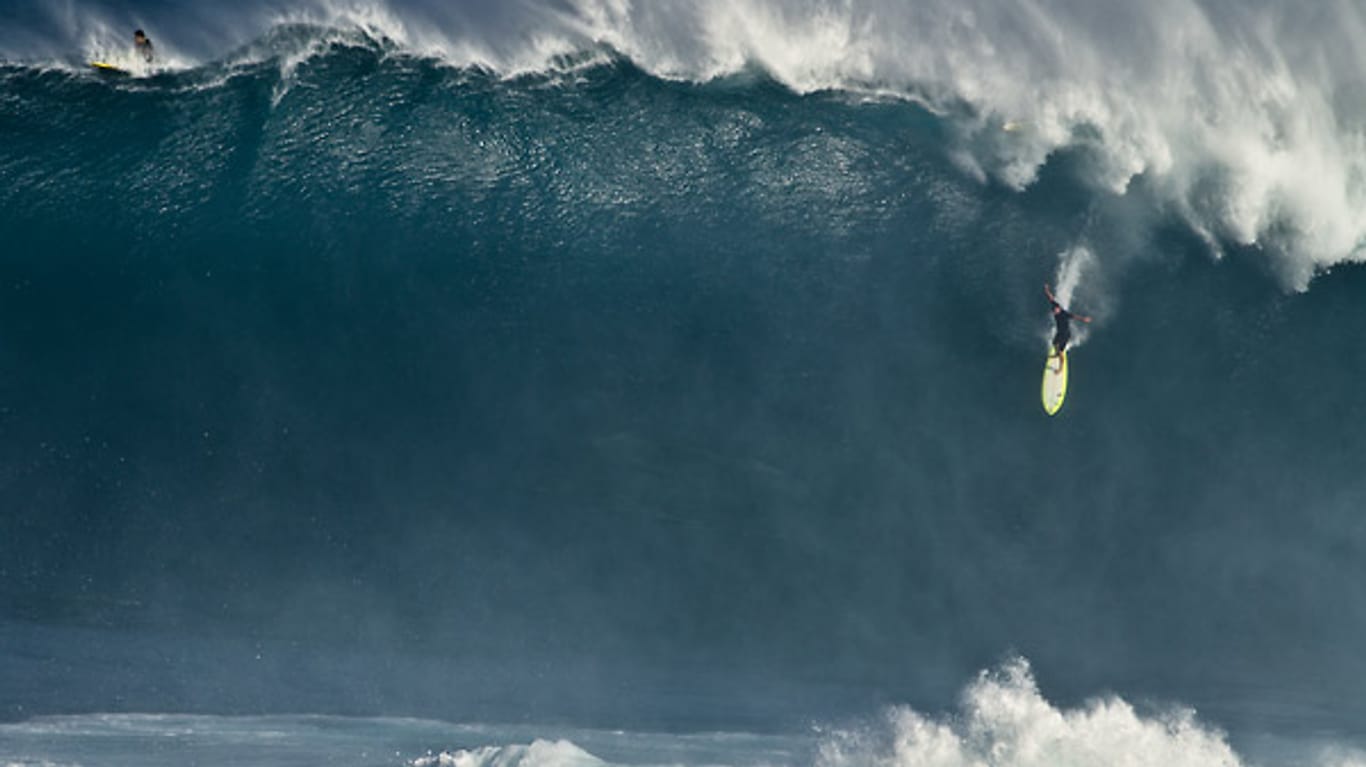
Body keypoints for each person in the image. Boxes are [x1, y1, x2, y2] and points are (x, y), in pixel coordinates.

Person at [1044, 283, 1091, 371]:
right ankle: (1056, 354)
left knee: (1061, 352)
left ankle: (1060, 368)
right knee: (1054, 344)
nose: (1054, 312)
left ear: (1058, 309)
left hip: (1065, 335)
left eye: (1055, 311)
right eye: (1053, 311)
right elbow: (1050, 298)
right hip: (1059, 332)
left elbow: (1075, 316)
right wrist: (1047, 290)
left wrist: (1084, 319)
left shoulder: (1064, 314)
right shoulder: (1055, 305)